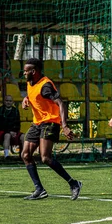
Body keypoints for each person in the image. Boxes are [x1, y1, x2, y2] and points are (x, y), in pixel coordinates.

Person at [20, 58, 82, 200]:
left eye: (26, 71)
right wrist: (26, 99)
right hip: (37, 123)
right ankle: (39, 189)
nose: (24, 73)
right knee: (25, 155)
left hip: (50, 122)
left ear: (33, 71)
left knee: (45, 157)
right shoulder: (30, 82)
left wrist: (64, 125)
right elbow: (34, 96)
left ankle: (74, 184)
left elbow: (61, 103)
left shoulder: (45, 85)